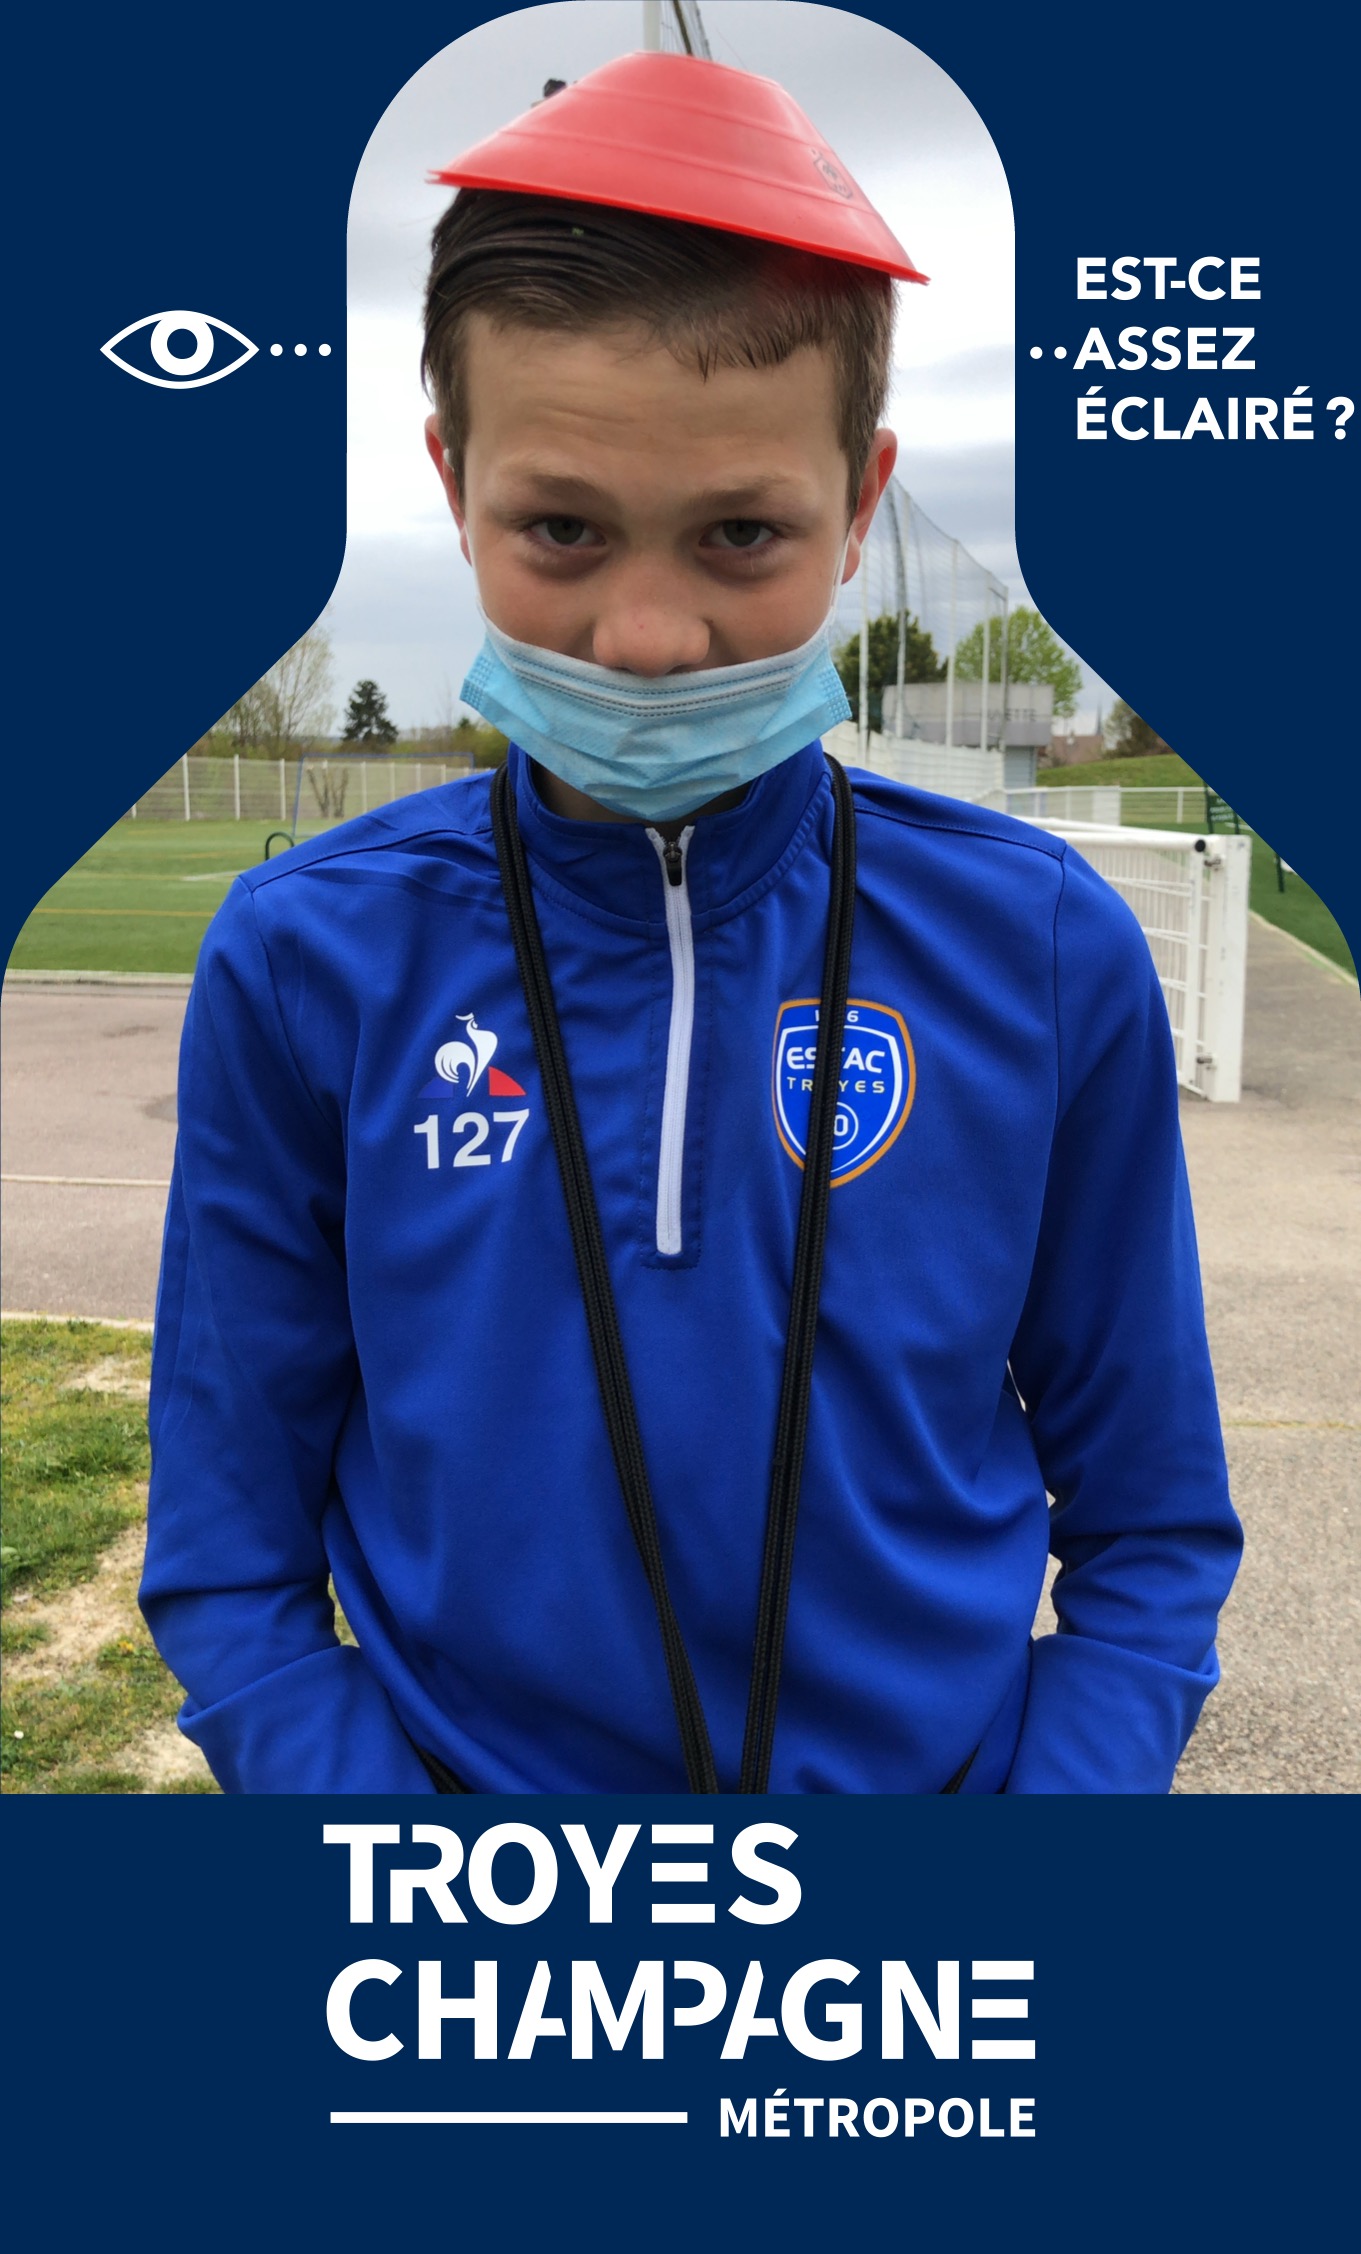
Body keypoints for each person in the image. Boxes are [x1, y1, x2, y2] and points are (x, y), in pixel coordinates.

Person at [141, 51, 1241, 1794]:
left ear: (859, 503)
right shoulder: (305, 958)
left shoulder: (1042, 950)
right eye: (559, 529)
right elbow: (228, 1549)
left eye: (740, 533)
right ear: (452, 482)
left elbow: (1153, 1523)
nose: (646, 637)